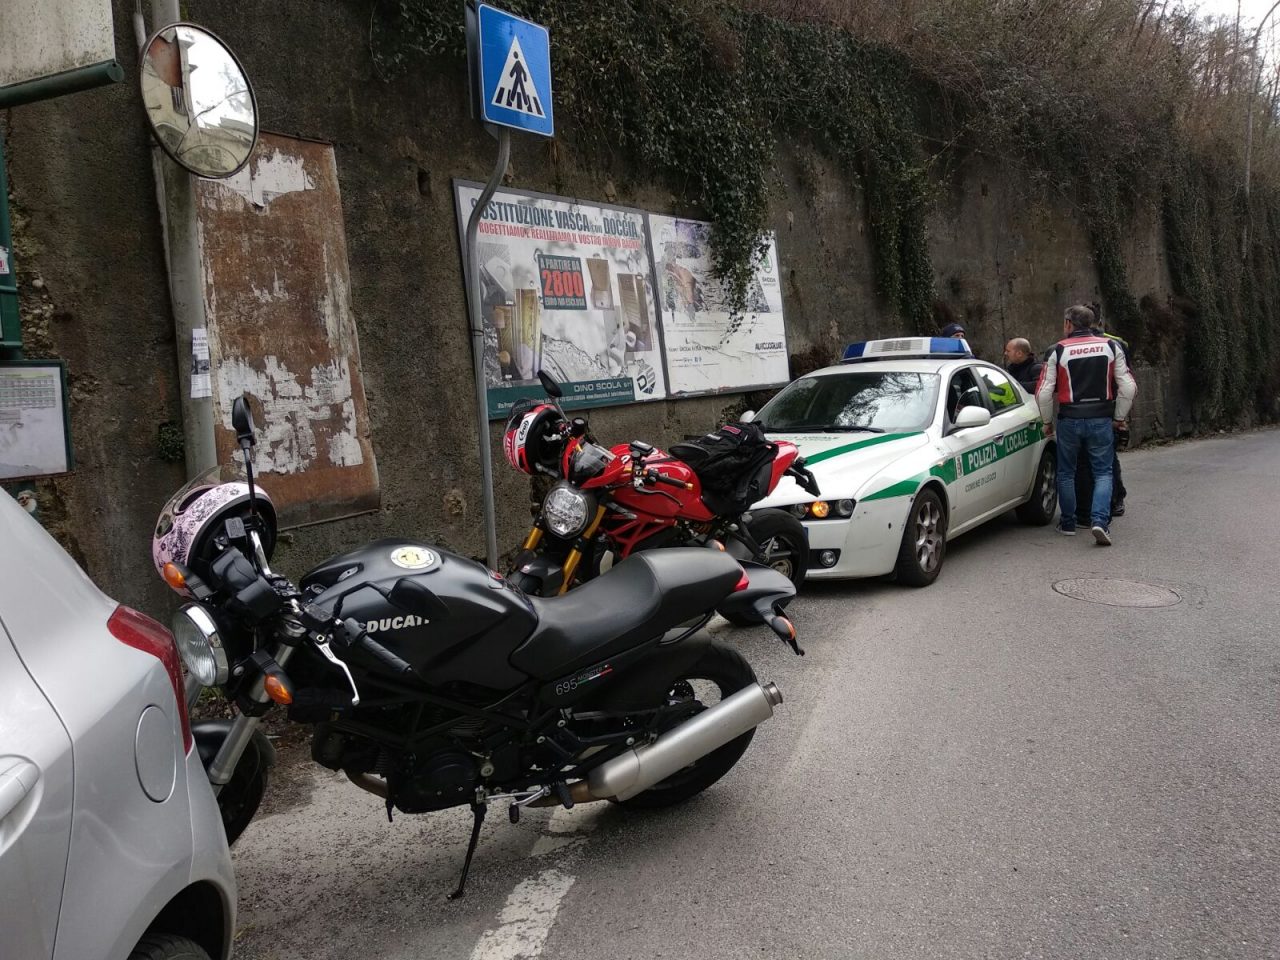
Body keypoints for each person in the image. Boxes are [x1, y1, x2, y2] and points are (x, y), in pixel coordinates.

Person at [1036, 304, 1137, 545]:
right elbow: (1128, 386)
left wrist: (1047, 421)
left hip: (1069, 418)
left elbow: (1043, 392)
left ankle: (1068, 523)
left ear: (1068, 324)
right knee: (1103, 472)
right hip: (1101, 418)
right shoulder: (1111, 346)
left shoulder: (1058, 350)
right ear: (1092, 323)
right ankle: (1100, 521)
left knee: (1066, 473)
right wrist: (1119, 418)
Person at [1071, 304, 1133, 523]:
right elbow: (1126, 380)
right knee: (1106, 458)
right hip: (1109, 407)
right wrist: (1121, 416)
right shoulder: (1116, 343)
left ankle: (1094, 506)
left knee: (1088, 460)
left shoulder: (1070, 345)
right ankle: (1113, 501)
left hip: (1082, 410)